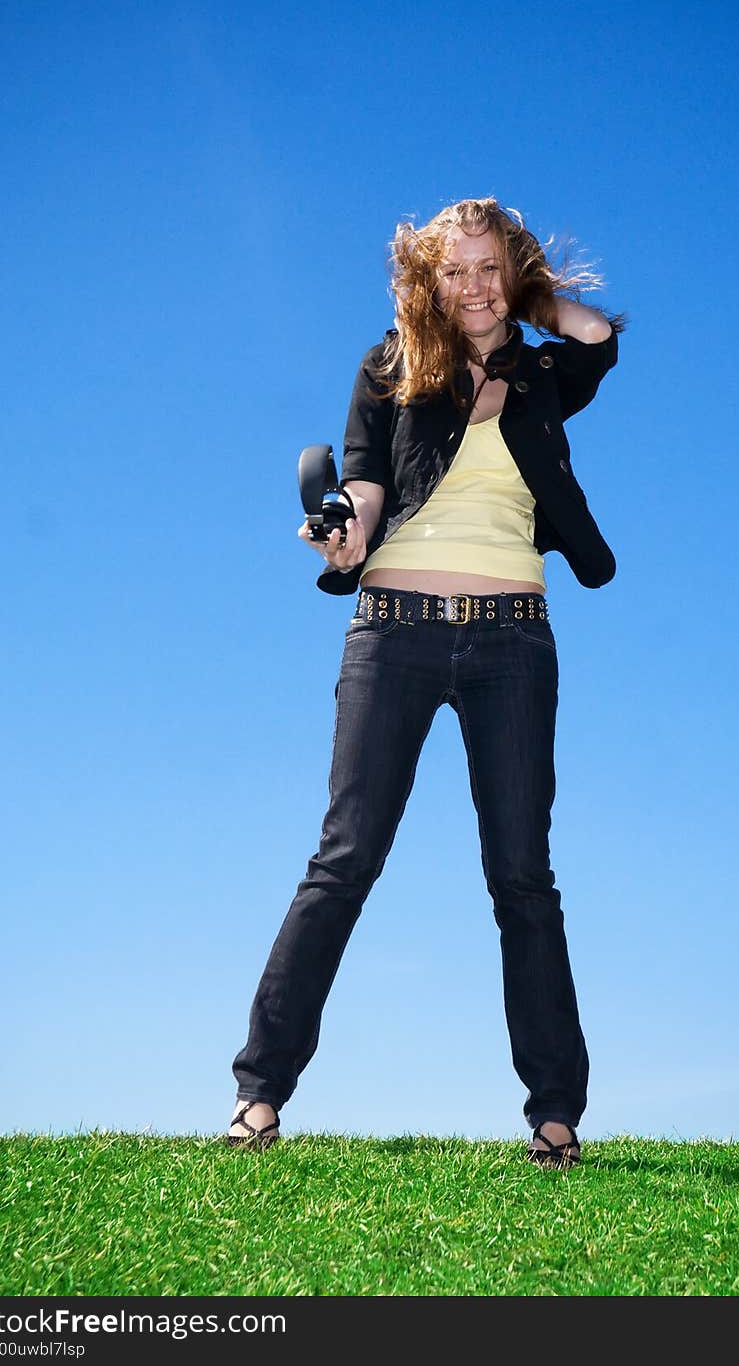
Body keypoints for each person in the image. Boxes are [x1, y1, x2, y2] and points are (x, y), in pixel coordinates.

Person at [228, 197, 624, 1168]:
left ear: (514, 272)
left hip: (511, 638)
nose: (474, 287)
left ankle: (554, 1115)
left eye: (490, 267)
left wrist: (526, 293)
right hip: (393, 630)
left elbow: (596, 332)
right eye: (454, 270)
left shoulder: (542, 373)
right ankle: (258, 1094)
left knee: (521, 875)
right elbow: (363, 479)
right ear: (425, 279)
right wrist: (347, 532)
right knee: (344, 856)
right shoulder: (390, 366)